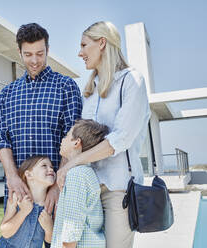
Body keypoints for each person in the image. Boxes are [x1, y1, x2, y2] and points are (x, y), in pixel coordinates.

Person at [56, 21, 151, 248]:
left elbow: (119, 139)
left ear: (102, 43)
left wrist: (71, 165)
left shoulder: (132, 81)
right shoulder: (89, 91)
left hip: (117, 190)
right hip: (88, 188)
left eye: (83, 45)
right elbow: (79, 138)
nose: (79, 53)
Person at [0, 23, 82, 214]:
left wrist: (58, 185)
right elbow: (2, 138)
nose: (34, 60)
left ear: (48, 50)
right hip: (19, 192)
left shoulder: (66, 87)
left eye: (40, 54)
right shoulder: (7, 93)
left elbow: (73, 139)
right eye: (28, 54)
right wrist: (12, 176)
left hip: (56, 193)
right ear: (19, 52)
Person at [51, 119, 108, 248]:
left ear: (76, 142)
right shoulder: (85, 173)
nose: (63, 139)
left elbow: (72, 229)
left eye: (66, 136)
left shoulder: (75, 175)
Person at [0, 155, 55, 248]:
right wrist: (23, 212)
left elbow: (49, 240)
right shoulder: (17, 198)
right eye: (44, 166)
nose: (51, 169)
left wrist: (49, 229)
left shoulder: (50, 204)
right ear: (29, 174)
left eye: (52, 167)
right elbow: (5, 232)